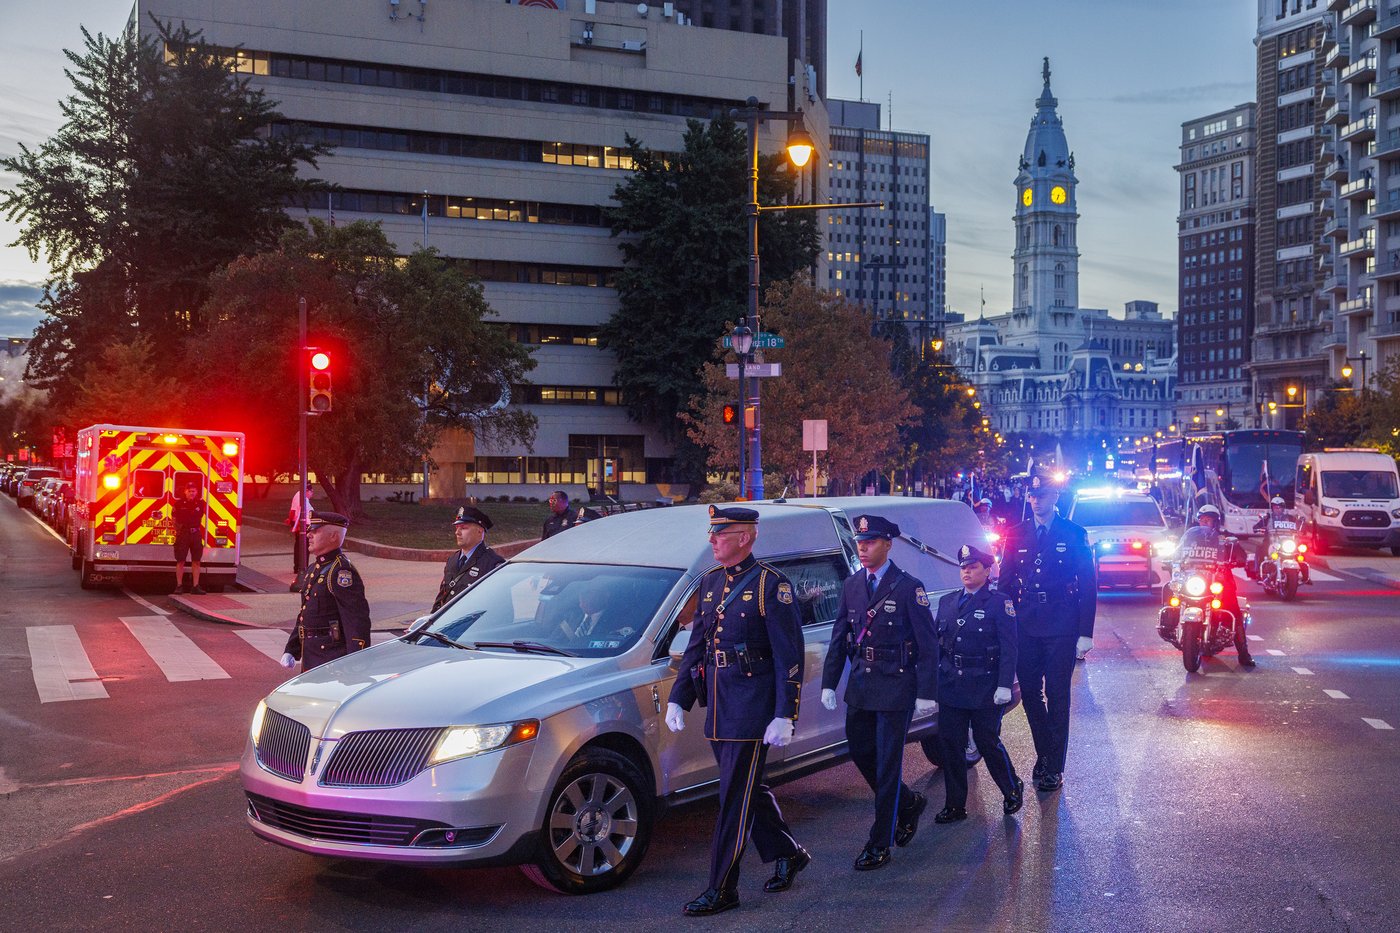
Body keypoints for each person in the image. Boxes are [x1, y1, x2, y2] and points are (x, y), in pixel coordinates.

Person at [666, 506, 808, 916]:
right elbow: (697, 645)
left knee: (732, 797)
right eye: (712, 533)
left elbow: (789, 655)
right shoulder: (710, 581)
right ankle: (789, 852)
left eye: (721, 533)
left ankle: (722, 888)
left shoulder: (770, 585)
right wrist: (679, 697)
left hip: (752, 707)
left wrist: (785, 713)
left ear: (745, 537)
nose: (712, 540)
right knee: (747, 788)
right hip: (719, 703)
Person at [819, 514, 938, 871]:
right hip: (861, 686)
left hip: (896, 686)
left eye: (870, 542)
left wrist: (926, 692)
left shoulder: (908, 587)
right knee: (860, 752)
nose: (863, 548)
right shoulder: (853, 584)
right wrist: (829, 682)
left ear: (887, 544)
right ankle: (908, 803)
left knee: (887, 764)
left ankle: (880, 841)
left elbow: (928, 645)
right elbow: (840, 636)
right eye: (859, 542)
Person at [997, 469, 1096, 793]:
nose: (1036, 500)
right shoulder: (1016, 533)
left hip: (1062, 623)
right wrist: (1004, 624)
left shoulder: (1074, 532)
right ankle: (1045, 752)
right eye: (1032, 495)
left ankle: (1054, 767)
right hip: (1026, 623)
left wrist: (1085, 632)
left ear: (1055, 497)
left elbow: (1088, 584)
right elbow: (1005, 583)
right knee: (1029, 693)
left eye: (1042, 495)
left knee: (1057, 694)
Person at [933, 545, 1023, 823]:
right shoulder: (947, 602)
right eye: (963, 567)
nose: (967, 572)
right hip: (951, 685)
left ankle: (1010, 788)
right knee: (951, 744)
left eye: (973, 567)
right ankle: (955, 805)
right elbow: (938, 646)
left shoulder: (999, 603)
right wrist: (930, 684)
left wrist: (1005, 685)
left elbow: (1009, 648)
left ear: (987, 571)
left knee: (986, 740)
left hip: (985, 685)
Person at [280, 512, 372, 672]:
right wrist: (292, 649)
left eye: (315, 531)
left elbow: (356, 619)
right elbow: (305, 614)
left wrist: (357, 660)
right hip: (311, 655)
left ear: (333, 536)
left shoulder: (341, 571)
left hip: (331, 658)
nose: (309, 534)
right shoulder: (313, 569)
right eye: (310, 530)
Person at [1163, 504, 1253, 668]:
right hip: (1194, 578)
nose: (1204, 522)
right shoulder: (1190, 537)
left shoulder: (1225, 538)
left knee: (1233, 609)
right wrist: (1170, 559)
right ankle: (1168, 625)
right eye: (1202, 519)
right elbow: (1178, 552)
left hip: (1219, 580)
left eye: (1208, 520)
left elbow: (1240, 555)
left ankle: (1243, 653)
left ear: (1215, 522)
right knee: (1170, 589)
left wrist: (1237, 558)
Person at [431, 506, 504, 612]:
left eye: (464, 528)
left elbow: (498, 608)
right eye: (457, 528)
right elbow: (442, 598)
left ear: (480, 531)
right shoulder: (452, 559)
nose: (457, 532)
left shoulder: (493, 564)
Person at [1250, 496, 1300, 578]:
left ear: (1283, 508)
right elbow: (1256, 527)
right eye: (1275, 507)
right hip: (1271, 540)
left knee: (1300, 550)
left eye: (1280, 507)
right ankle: (1259, 571)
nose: (1278, 509)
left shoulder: (1290, 518)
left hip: (1286, 540)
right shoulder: (1267, 518)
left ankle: (1305, 574)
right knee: (1261, 548)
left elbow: (1297, 525)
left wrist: (1301, 527)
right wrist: (1259, 528)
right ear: (1272, 508)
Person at [171, 482, 206, 594]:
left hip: (195, 534)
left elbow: (200, 516)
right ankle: (179, 586)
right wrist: (179, 531)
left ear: (197, 492)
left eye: (193, 491)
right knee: (180, 560)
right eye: (189, 491)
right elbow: (174, 519)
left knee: (196, 560)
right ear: (185, 492)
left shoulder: (200, 504)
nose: (191, 493)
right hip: (183, 534)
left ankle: (195, 586)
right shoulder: (179, 504)